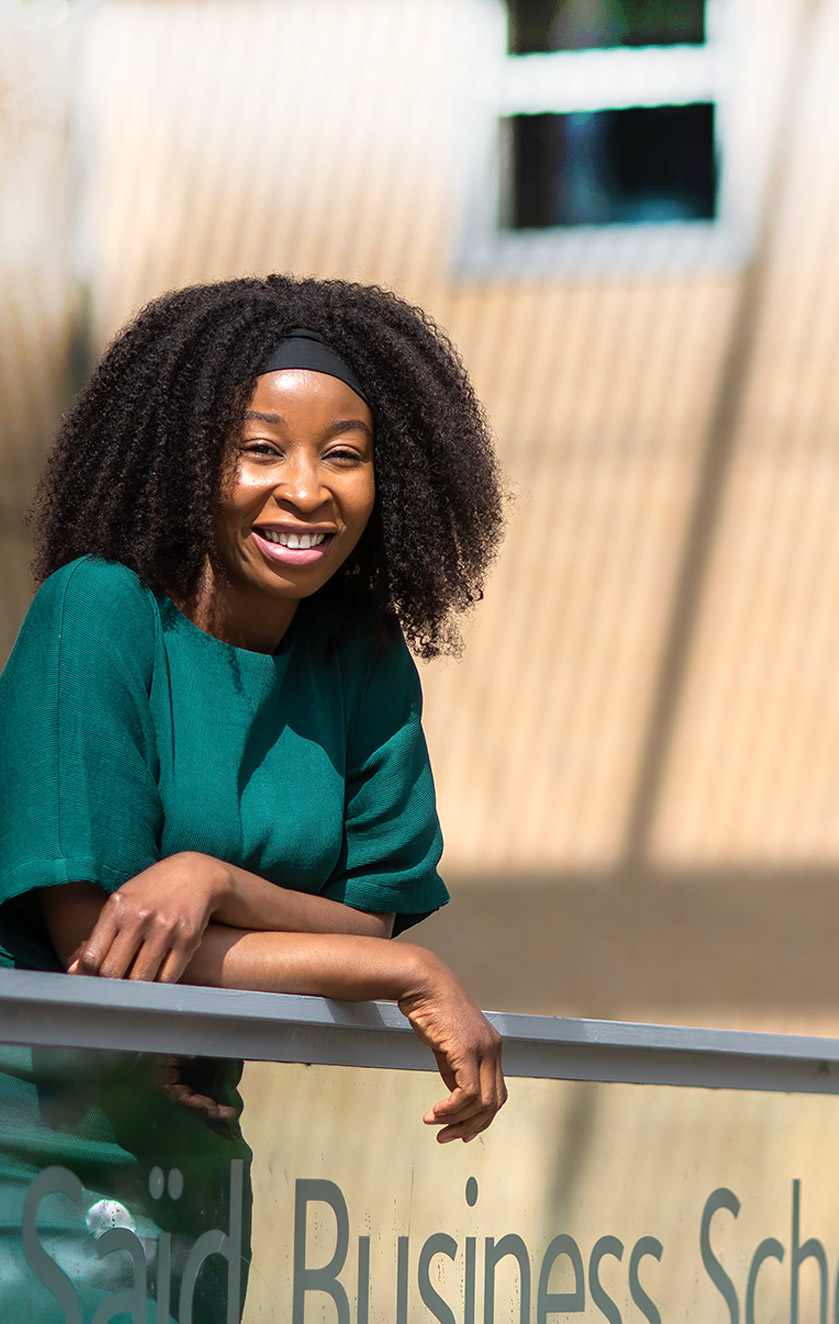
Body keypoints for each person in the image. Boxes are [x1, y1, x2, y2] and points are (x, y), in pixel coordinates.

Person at [0, 275, 508, 1319]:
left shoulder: (361, 658)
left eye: (345, 454)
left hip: (195, 1142)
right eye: (260, 447)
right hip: (30, 1149)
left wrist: (212, 880)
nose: (308, 489)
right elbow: (105, 941)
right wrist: (406, 971)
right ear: (187, 461)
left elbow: (360, 915)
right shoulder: (97, 614)